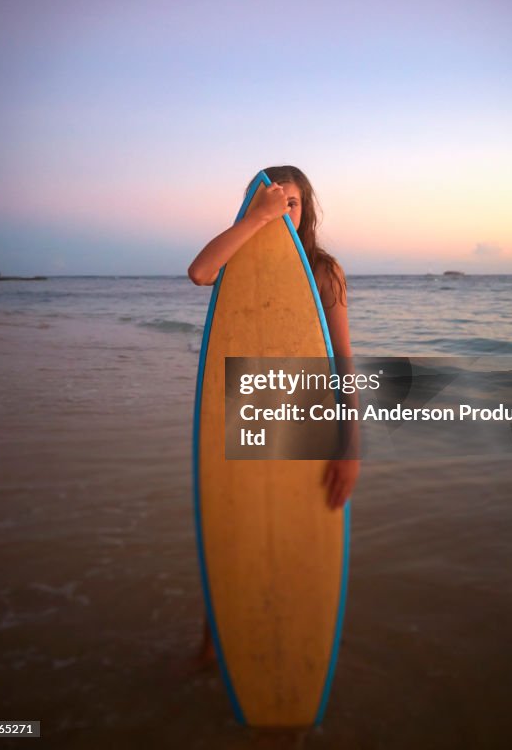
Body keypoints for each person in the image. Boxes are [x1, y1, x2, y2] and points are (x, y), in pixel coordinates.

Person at [187, 165, 360, 667]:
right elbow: (200, 273)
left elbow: (342, 361)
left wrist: (349, 449)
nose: (284, 211)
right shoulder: (237, 256)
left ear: (306, 212)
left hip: (307, 417)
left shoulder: (324, 270)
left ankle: (294, 649)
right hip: (244, 412)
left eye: (293, 203)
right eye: (272, 201)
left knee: (297, 539)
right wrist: (257, 219)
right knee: (237, 536)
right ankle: (214, 649)